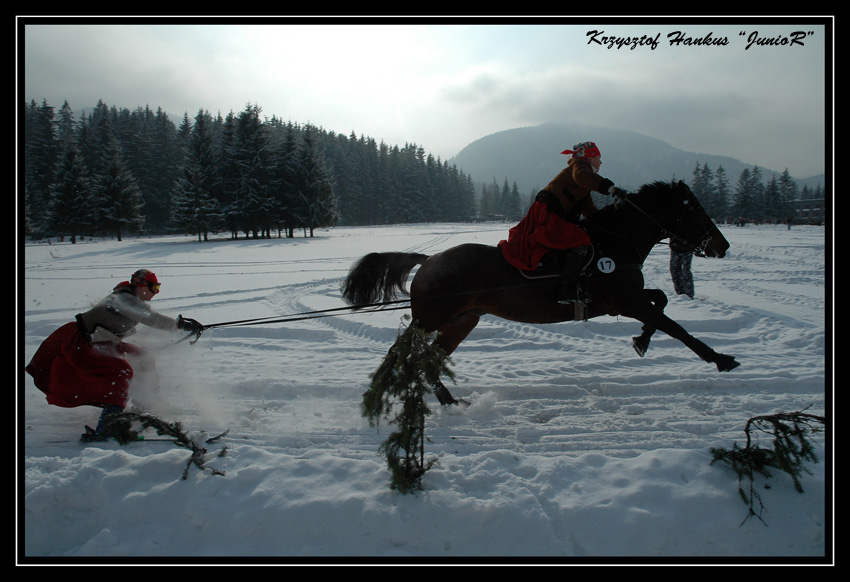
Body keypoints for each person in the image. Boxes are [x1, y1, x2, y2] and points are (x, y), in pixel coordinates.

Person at [25, 269, 204, 441]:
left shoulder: (131, 299)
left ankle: (148, 403)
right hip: (84, 345)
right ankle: (107, 429)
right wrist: (180, 326)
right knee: (121, 373)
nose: (156, 292)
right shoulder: (123, 299)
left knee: (143, 357)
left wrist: (181, 326)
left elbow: (150, 314)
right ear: (142, 286)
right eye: (154, 287)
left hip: (104, 343)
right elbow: (149, 317)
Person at [498, 141, 626, 307]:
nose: (601, 162)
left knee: (580, 238)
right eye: (598, 158)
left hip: (552, 214)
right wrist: (610, 189)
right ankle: (567, 290)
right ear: (589, 158)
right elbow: (583, 176)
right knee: (581, 241)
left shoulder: (582, 185)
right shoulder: (579, 166)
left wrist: (611, 216)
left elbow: (590, 211)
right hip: (549, 214)